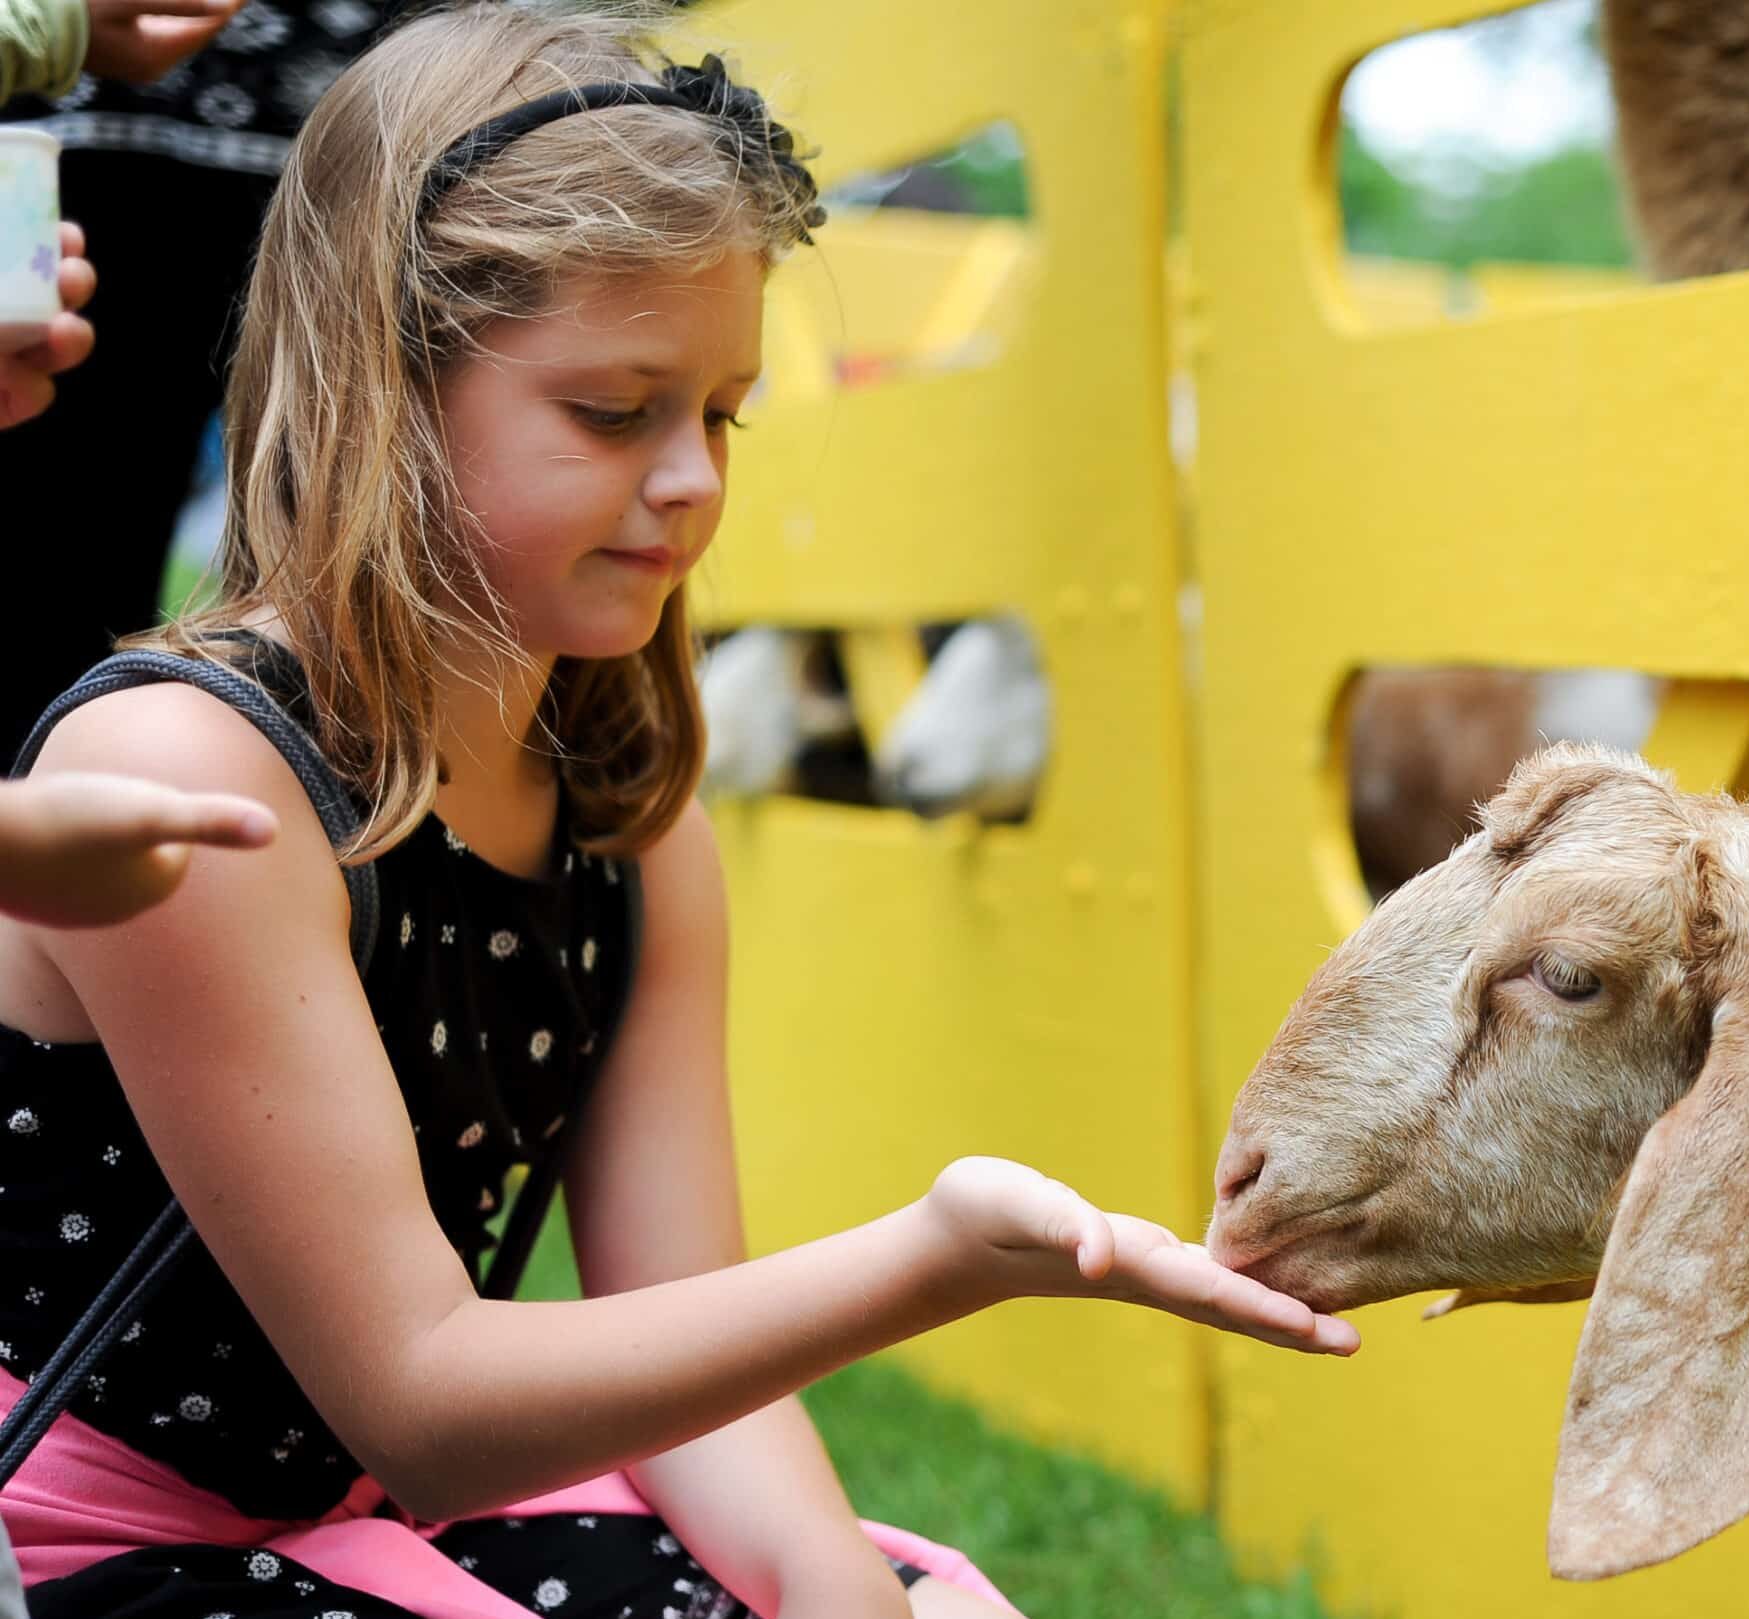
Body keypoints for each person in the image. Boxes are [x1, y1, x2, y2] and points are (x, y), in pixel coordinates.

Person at [0, 7, 1358, 1617]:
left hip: (378, 1517)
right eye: (613, 409)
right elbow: (423, 1404)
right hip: (95, 1543)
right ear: (385, 384)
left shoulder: (628, 824)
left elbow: (686, 1336)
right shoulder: (191, 779)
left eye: (720, 412)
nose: (696, 481)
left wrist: (832, 1587)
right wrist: (932, 1260)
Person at [0, 0, 388, 747]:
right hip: (60, 145)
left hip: (349, 142)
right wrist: (43, 29)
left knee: (339, 599)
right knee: (49, 580)